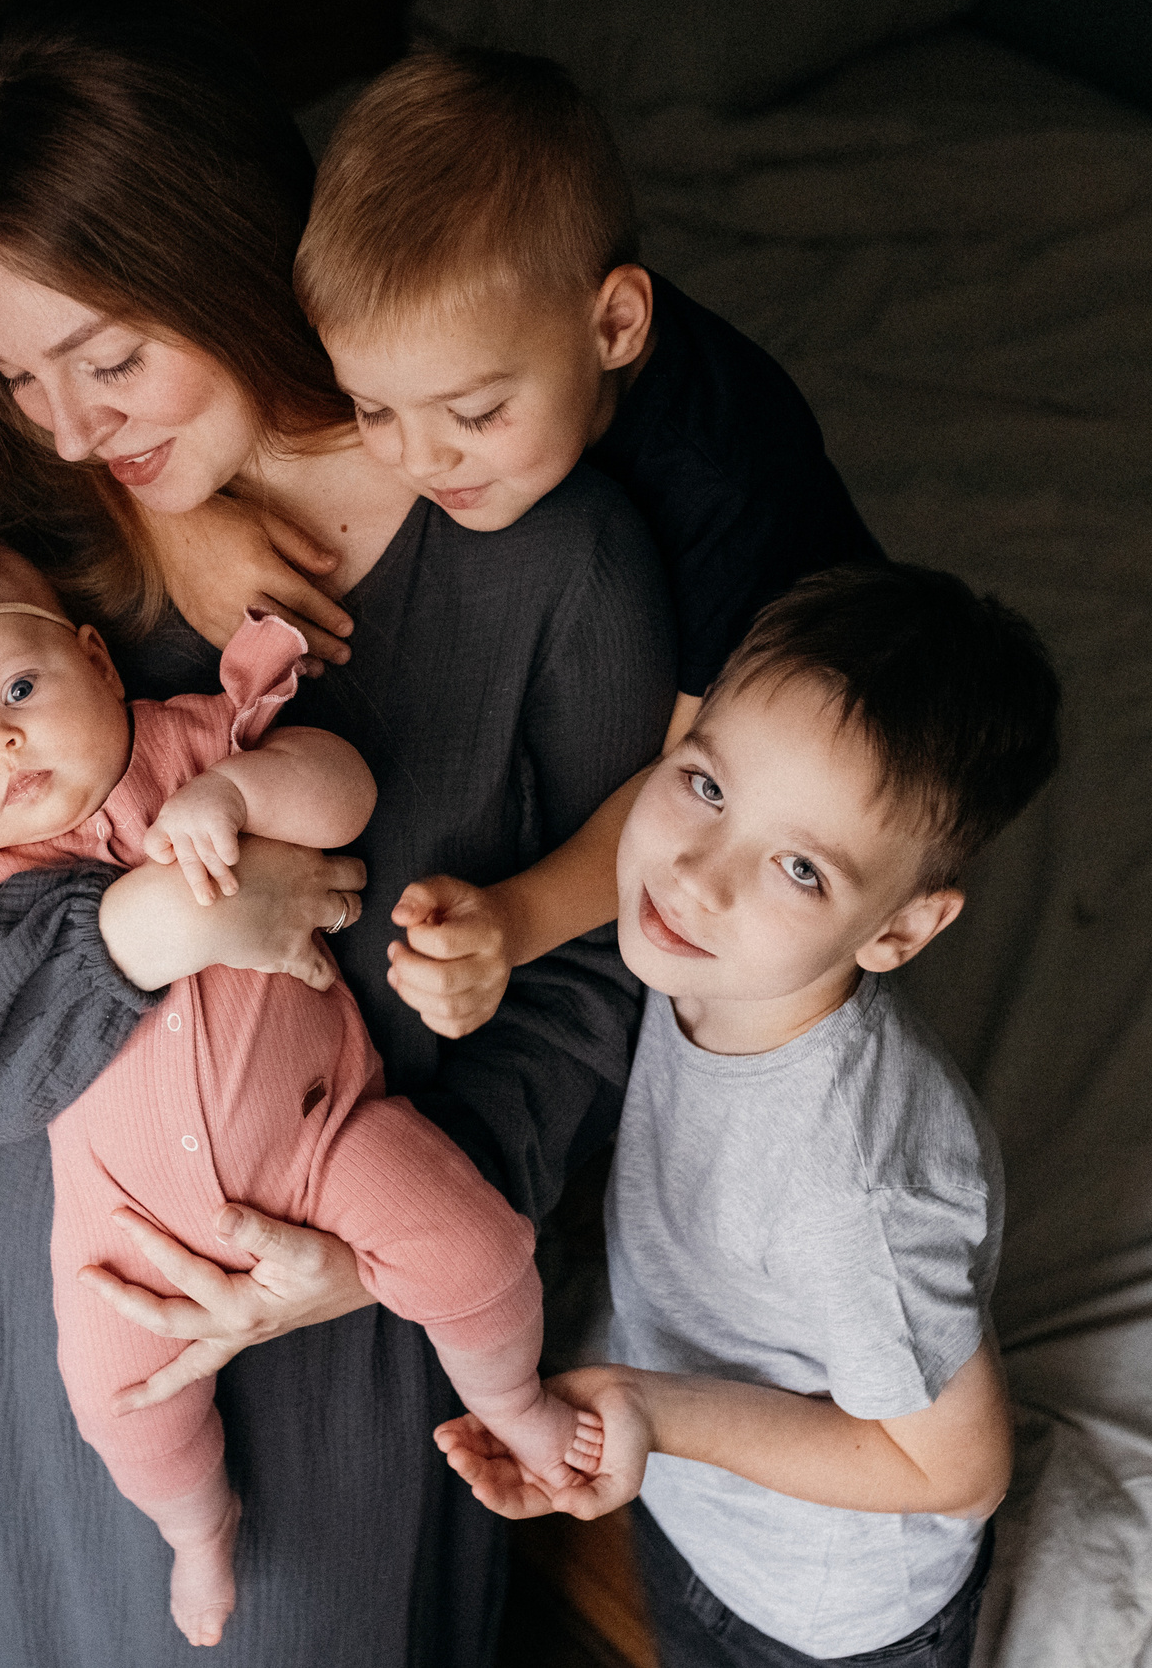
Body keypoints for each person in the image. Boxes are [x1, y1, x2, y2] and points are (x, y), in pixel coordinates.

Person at [0, 0, 670, 1667]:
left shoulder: (552, 559)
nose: (71, 425)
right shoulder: (38, 541)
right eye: (15, 375)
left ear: (229, 255)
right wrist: (169, 521)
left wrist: (368, 1263)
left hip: (326, 1256)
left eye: (109, 356)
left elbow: (600, 975)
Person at [0, 541, 598, 1646]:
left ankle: (510, 1400)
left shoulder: (184, 743)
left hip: (329, 1138)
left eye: (20, 690)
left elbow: (344, 791)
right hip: (119, 1222)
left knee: (476, 1249)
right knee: (117, 1400)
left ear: (91, 656)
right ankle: (196, 1526)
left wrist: (237, 792)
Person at [145, 47, 890, 1044]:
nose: (417, 456)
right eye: (373, 409)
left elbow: (686, 801)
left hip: (814, 702)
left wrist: (517, 920)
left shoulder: (730, 479)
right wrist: (174, 518)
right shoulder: (445, 355)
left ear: (615, 325)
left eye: (477, 412)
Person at [438, 563, 1061, 1668]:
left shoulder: (854, 1189)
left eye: (799, 869)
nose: (695, 875)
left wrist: (656, 1411)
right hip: (697, 1512)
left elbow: (953, 1471)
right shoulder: (714, 967)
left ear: (902, 933)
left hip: (828, 1613)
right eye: (706, 786)